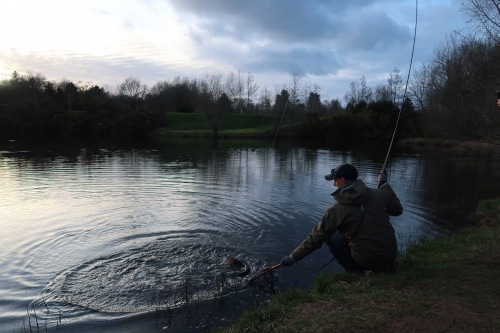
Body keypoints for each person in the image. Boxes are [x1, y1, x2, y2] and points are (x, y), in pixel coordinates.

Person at [280, 163, 403, 274]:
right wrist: (384, 185)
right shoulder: (381, 194)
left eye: (335, 180)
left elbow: (315, 239)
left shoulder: (336, 210)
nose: (334, 184)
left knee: (329, 236)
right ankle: (379, 268)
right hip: (390, 258)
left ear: (343, 180)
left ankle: (355, 272)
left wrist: (292, 258)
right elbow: (397, 210)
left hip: (366, 261)